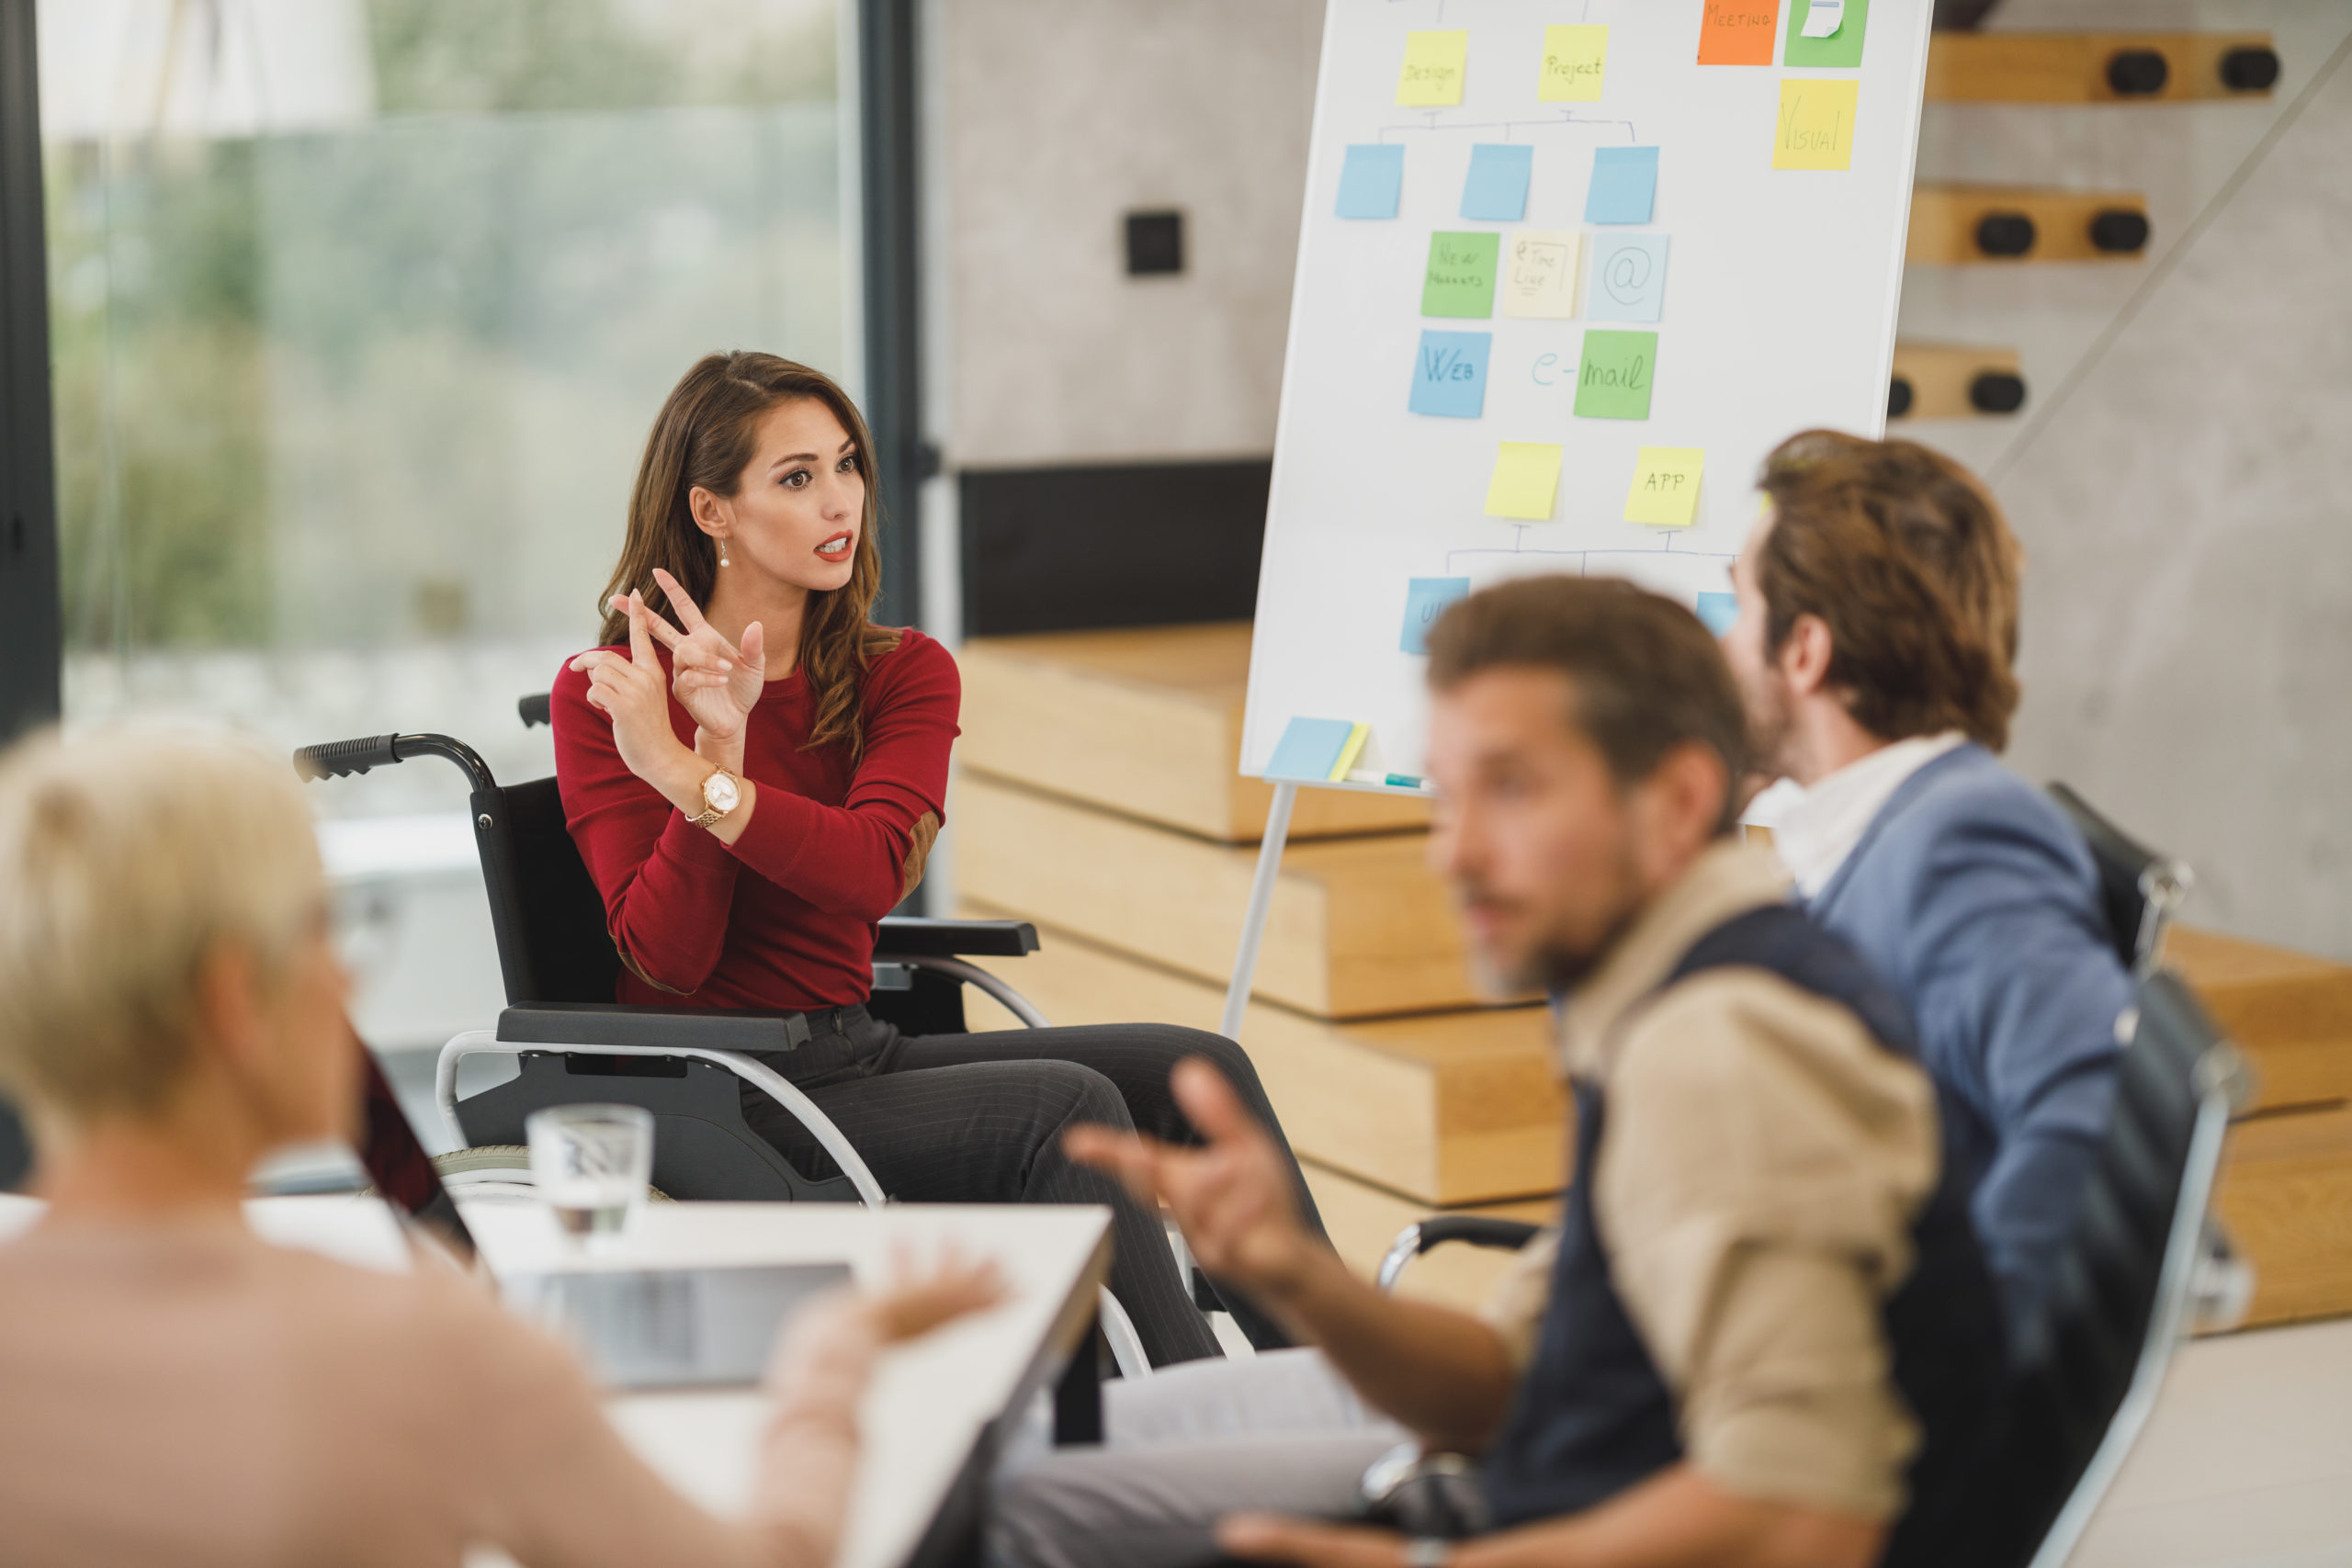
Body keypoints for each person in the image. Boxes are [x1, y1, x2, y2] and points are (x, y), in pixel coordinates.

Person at [992, 576, 2004, 1568]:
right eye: (1447, 795)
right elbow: (1508, 1380)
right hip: (1537, 1475)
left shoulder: (1718, 1051)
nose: (1455, 854)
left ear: (1680, 799)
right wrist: (1294, 1276)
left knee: (1013, 1511)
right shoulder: (1671, 995)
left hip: (1547, 1522)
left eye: (1512, 789)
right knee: (1013, 1456)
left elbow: (1801, 1522)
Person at [0, 722, 1000, 1568]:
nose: (347, 982)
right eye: (319, 933)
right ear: (232, 1003)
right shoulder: (419, 1352)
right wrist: (832, 1355)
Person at [552, 350, 1324, 1366]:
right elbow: (670, 962)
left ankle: (1350, 1382)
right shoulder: (609, 692)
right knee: (1067, 1108)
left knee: (1195, 1069)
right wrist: (706, 753)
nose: (841, 502)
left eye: (846, 466)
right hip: (724, 1093)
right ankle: (1188, 1423)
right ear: (712, 512)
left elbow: (871, 870)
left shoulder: (901, 672)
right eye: (796, 478)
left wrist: (702, 779)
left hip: (849, 1051)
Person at [1721, 429, 2134, 1354]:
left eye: (1737, 605)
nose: (1720, 639)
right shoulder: (1868, 831)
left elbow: (2092, 1102)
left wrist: (1944, 1377)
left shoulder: (1959, 840)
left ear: (1804, 653)